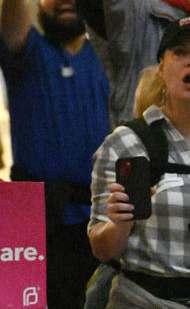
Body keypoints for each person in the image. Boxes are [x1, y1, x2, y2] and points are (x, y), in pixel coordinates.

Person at [0, 0, 110, 308]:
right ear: (38, 4)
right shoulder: (26, 54)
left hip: (105, 218)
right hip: (39, 220)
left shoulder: (107, 56)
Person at [88, 17, 190, 307]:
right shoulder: (127, 142)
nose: (189, 62)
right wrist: (119, 224)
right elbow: (102, 249)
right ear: (161, 67)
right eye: (179, 52)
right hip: (145, 300)